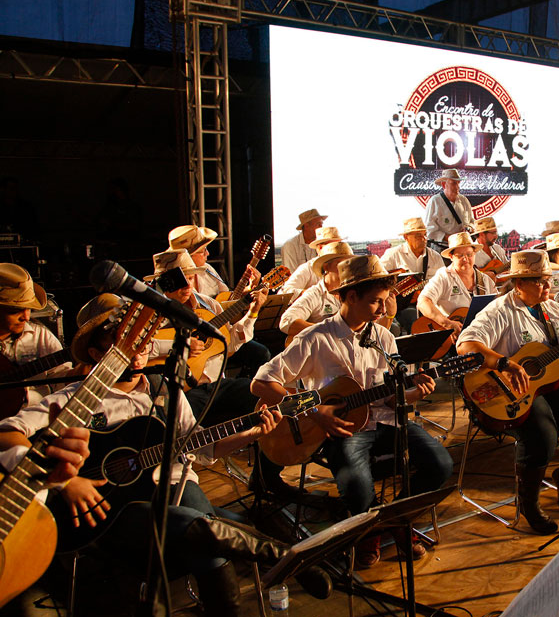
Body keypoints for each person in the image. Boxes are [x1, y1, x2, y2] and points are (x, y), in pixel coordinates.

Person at [0, 295, 329, 616]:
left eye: (142, 341)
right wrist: (65, 482)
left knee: (205, 533)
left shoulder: (165, 389)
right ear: (96, 352)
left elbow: (201, 447)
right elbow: (6, 431)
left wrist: (251, 434)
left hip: (176, 488)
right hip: (112, 510)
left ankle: (279, 558)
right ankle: (289, 558)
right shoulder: (76, 398)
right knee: (210, 539)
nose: (139, 350)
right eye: (123, 343)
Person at [252, 255, 453, 567]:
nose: (384, 310)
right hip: (340, 430)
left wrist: (414, 392)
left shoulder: (383, 338)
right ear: (349, 296)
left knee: (440, 465)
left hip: (385, 422)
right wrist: (315, 410)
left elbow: (389, 398)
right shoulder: (315, 337)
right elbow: (261, 383)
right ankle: (368, 529)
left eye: (386, 301)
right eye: (375, 302)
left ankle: (390, 522)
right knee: (358, 490)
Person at [456, 250, 559, 534]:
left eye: (548, 281)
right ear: (519, 284)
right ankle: (529, 505)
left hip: (551, 384)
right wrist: (504, 363)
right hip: (508, 394)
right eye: (540, 282)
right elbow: (465, 345)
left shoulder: (556, 310)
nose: (548, 288)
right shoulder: (499, 311)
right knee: (543, 433)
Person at [147, 250, 267, 425]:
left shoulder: (209, 305)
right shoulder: (150, 314)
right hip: (180, 392)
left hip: (218, 385)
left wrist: (252, 313)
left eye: (189, 279)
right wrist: (180, 345)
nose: (187, 286)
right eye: (180, 280)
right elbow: (138, 350)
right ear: (165, 283)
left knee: (260, 397)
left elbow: (231, 345)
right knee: (176, 424)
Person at [0, 263, 71, 406]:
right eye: (15, 310)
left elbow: (63, 383)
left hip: (35, 423)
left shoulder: (41, 337)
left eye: (28, 308)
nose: (26, 317)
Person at [417, 232, 496, 337]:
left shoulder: (485, 281)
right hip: (451, 338)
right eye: (460, 255)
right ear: (451, 256)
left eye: (469, 254)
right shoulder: (443, 276)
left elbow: (497, 307)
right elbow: (423, 302)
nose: (465, 259)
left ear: (474, 254)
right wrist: (447, 323)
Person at [279, 241, 355, 340]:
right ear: (326, 267)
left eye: (348, 264)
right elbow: (286, 321)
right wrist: (326, 330)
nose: (346, 268)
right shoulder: (315, 294)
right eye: (340, 264)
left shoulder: (355, 292)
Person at [381, 217, 445, 333]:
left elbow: (444, 281)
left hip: (430, 302)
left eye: (425, 234)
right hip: (402, 305)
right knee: (413, 319)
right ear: (406, 237)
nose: (424, 239)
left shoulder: (435, 256)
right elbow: (379, 281)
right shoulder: (392, 255)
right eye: (418, 236)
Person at [279, 226, 345, 294]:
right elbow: (284, 292)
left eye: (339, 244)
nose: (338, 248)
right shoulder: (308, 268)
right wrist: (313, 295)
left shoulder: (347, 266)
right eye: (332, 246)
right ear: (320, 248)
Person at [425, 169, 473, 243]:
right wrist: (452, 239)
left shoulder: (464, 200)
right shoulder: (434, 202)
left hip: (462, 247)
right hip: (442, 248)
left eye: (458, 183)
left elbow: (472, 222)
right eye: (453, 183)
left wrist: (468, 228)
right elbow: (430, 230)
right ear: (444, 185)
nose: (457, 187)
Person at [281, 208, 327, 273]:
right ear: (306, 225)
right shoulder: (290, 245)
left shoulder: (323, 244)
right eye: (318, 224)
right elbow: (290, 274)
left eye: (322, 224)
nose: (321, 227)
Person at [471, 216, 509, 281]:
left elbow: (508, 266)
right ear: (482, 234)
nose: (496, 236)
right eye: (493, 233)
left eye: (496, 232)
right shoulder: (471, 253)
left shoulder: (497, 248)